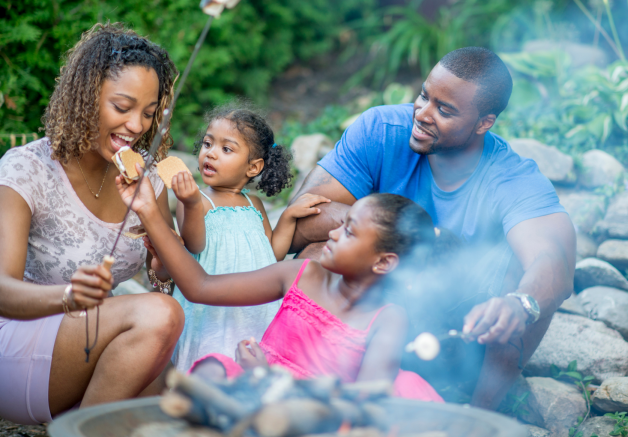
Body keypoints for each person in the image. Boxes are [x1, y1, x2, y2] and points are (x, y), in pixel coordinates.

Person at [288, 47, 576, 409]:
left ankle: (477, 418)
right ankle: (298, 372)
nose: (422, 114)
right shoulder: (381, 129)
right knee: (319, 254)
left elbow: (556, 264)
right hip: (376, 296)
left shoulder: (510, 177)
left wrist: (520, 304)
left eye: (445, 110)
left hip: (456, 328)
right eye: (424, 96)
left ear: (484, 123)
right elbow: (301, 220)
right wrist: (409, 238)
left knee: (524, 286)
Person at [118, 168, 444, 402]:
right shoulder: (301, 274)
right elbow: (200, 286)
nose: (332, 233)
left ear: (384, 262)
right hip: (258, 392)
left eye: (349, 232)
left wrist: (272, 379)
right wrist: (148, 211)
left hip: (319, 414)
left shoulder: (387, 318)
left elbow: (366, 403)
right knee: (214, 371)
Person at [0, 23, 184, 424]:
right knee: (161, 316)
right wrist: (68, 296)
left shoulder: (146, 179)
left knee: (176, 385)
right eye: (122, 107)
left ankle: (85, 426)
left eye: (149, 114)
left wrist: (162, 264)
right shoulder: (26, 170)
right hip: (16, 344)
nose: (137, 126)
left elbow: (165, 279)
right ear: (84, 98)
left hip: (87, 344)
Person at [168, 104, 330, 371]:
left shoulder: (253, 203)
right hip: (213, 308)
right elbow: (195, 244)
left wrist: (288, 216)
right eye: (207, 144)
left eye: (226, 149)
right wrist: (190, 202)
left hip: (254, 307)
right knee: (215, 365)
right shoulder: (197, 200)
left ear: (253, 167)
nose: (211, 153)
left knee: (250, 369)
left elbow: (271, 254)